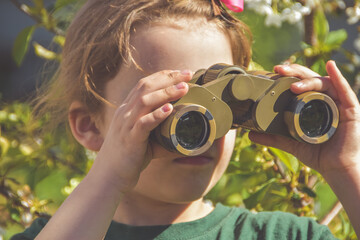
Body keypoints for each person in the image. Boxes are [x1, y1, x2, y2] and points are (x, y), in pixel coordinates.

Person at [11, 0, 360, 239]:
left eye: (219, 99)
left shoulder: (285, 236)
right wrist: (110, 176)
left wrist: (347, 167)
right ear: (90, 125)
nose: (203, 132)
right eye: (167, 103)